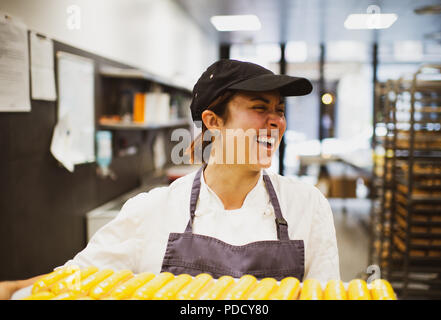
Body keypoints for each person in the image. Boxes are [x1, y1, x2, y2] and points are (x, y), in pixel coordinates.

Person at [1, 59, 339, 299]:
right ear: (213, 121)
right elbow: (78, 278)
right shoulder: (154, 209)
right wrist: (16, 289)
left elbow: (326, 295)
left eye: (279, 110)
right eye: (259, 107)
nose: (275, 121)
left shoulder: (307, 206)